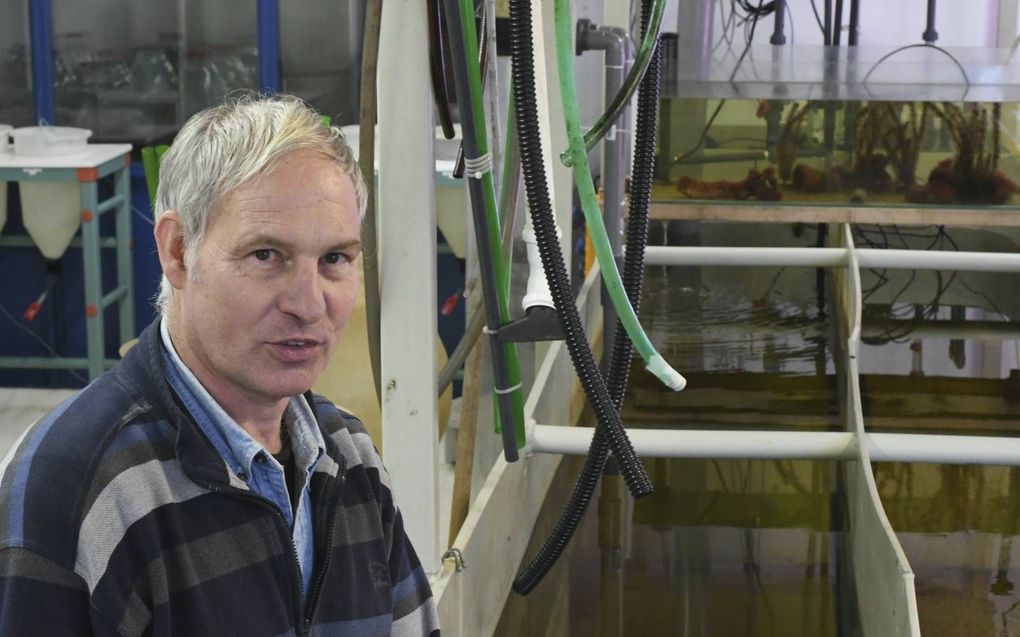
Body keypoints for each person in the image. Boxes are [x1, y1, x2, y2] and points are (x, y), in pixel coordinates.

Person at [0, 94, 440, 636]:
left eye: (334, 259)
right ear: (179, 251)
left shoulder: (351, 460)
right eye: (265, 256)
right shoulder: (78, 489)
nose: (308, 303)